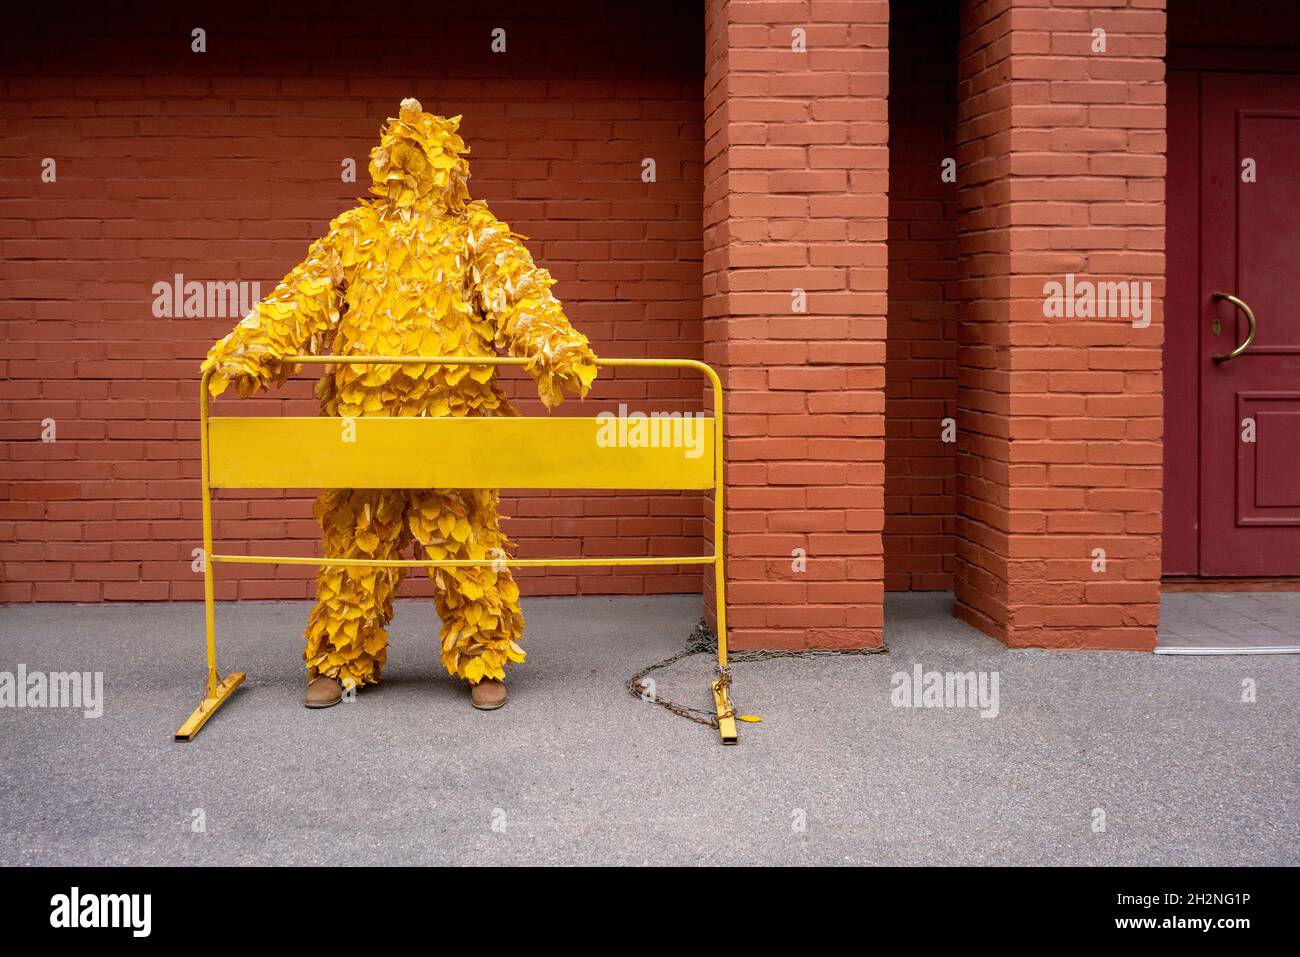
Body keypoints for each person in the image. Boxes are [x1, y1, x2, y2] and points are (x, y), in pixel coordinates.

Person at [202, 98, 597, 711]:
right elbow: (304, 294)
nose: (409, 174)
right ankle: (340, 661)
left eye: (421, 162)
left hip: (454, 425)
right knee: (359, 543)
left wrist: (555, 345)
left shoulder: (474, 232)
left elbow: (518, 292)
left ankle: (484, 660)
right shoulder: (354, 233)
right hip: (365, 426)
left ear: (450, 170)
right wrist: (250, 347)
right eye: (398, 161)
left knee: (465, 542)